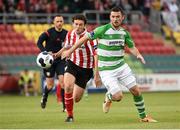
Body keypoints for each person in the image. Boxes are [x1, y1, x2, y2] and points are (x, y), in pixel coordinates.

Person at [61, 7, 157, 123]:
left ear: (122, 18)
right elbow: (84, 38)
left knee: (136, 91)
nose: (115, 19)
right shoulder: (102, 30)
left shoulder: (124, 33)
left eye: (117, 17)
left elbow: (131, 47)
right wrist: (70, 51)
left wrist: (138, 54)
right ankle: (109, 97)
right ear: (110, 17)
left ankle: (143, 117)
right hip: (106, 69)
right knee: (118, 96)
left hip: (121, 66)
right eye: (113, 16)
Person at [53, 14, 97, 122]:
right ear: (73, 24)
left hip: (86, 69)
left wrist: (97, 73)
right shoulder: (70, 34)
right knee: (67, 86)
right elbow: (67, 46)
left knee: (76, 98)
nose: (77, 27)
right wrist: (57, 54)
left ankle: (70, 101)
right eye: (76, 24)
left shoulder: (90, 37)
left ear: (84, 26)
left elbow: (96, 55)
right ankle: (70, 116)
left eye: (80, 24)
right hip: (72, 63)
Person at [37, 15, 67, 111]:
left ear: (63, 22)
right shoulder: (48, 32)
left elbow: (69, 45)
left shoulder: (66, 33)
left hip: (60, 61)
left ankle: (64, 106)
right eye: (57, 21)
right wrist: (45, 51)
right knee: (50, 85)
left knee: (63, 83)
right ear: (54, 22)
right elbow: (39, 42)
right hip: (49, 62)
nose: (59, 23)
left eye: (61, 21)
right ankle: (44, 97)